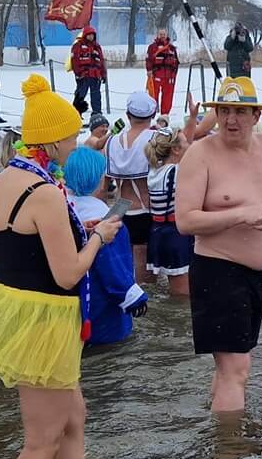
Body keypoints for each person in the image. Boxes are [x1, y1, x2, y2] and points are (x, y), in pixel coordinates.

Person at [0, 77, 121, 459]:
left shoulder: (7, 179)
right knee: (41, 440)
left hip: (18, 306)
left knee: (74, 417)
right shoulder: (44, 192)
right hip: (44, 319)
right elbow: (67, 275)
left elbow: (24, 242)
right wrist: (100, 239)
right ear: (55, 137)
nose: (76, 141)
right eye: (72, 134)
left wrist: (80, 229)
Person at [175, 77, 262, 413]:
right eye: (225, 111)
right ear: (215, 114)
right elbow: (185, 221)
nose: (231, 119)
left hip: (257, 274)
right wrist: (239, 215)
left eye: (240, 111)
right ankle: (231, 456)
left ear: (255, 115)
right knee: (237, 369)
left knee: (230, 369)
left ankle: (219, 440)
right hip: (217, 269)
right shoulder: (199, 154)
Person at [62, 147, 149, 346]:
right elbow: (112, 265)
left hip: (72, 301)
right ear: (100, 180)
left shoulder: (63, 211)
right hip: (103, 304)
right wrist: (132, 296)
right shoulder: (106, 221)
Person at [104, 91, 159, 283]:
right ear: (152, 115)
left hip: (121, 210)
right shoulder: (156, 139)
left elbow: (103, 187)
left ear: (128, 116)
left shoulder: (112, 141)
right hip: (148, 208)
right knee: (148, 274)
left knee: (129, 269)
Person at [145, 129, 193, 297]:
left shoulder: (154, 171)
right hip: (175, 235)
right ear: (176, 149)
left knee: (175, 290)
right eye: (186, 141)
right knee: (182, 297)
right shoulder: (178, 172)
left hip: (158, 232)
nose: (189, 144)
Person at [71, 26, 107, 119]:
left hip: (95, 75)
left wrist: (103, 74)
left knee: (96, 95)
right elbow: (74, 60)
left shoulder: (97, 46)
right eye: (89, 35)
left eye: (92, 35)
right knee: (80, 95)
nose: (91, 37)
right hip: (84, 75)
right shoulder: (78, 46)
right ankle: (76, 114)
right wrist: (78, 73)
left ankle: (97, 113)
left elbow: (101, 61)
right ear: (85, 35)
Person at [146, 29, 181, 115]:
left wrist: (174, 74)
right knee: (153, 96)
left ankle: (165, 115)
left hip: (169, 77)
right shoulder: (152, 47)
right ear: (157, 35)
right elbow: (148, 60)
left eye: (164, 34)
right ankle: (151, 114)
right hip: (156, 75)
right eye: (160, 34)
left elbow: (176, 62)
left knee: (168, 97)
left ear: (166, 35)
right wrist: (149, 70)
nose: (162, 36)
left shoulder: (172, 48)